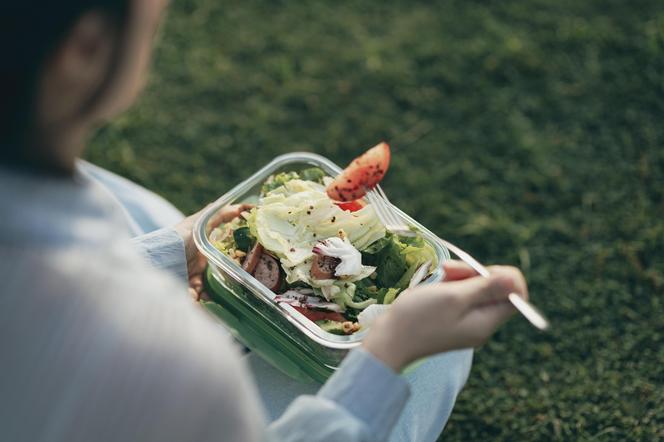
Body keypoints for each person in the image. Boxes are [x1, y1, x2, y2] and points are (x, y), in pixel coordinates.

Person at [0, 1, 529, 441]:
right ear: (84, 49)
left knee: (157, 217)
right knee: (439, 358)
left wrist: (166, 251)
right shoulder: (170, 358)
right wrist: (387, 355)